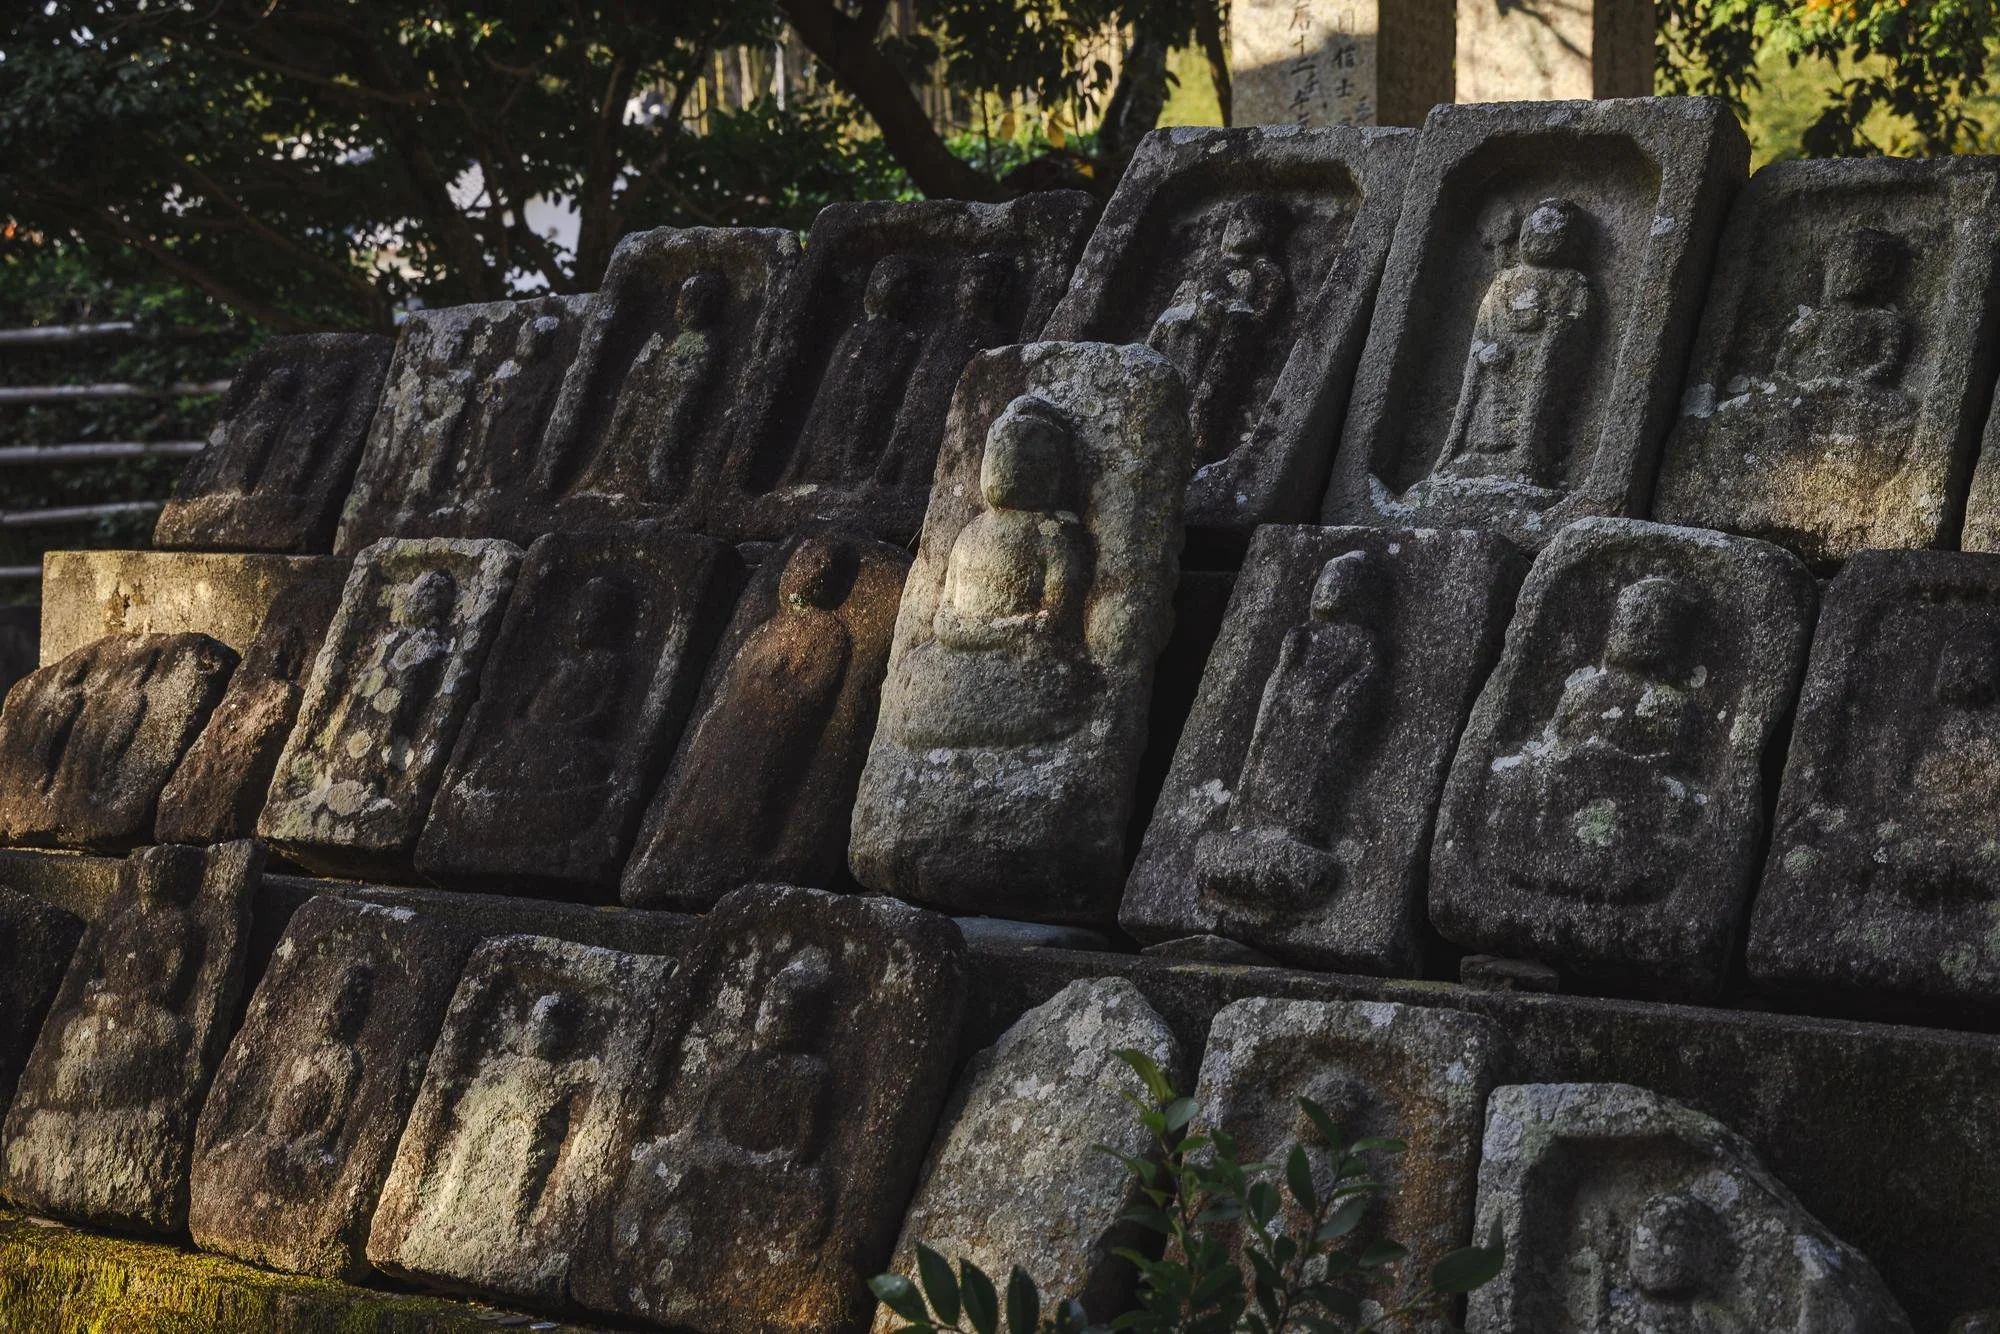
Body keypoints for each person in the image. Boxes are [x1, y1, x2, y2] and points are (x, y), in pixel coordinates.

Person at [1196, 550, 1386, 918]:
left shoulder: (1360, 640)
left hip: (1321, 726)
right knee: (1265, 773)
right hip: (1285, 721)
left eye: (1339, 586)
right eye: (1325, 584)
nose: (1328, 592)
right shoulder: (1301, 635)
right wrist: (1274, 710)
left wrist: (1338, 704)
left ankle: (1299, 831)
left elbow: (1361, 681)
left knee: (1311, 782)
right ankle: (1247, 825)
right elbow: (1279, 678)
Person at [1438, 198, 1593, 487]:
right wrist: (1484, 352)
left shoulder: (1571, 282)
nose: (1538, 234)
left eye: (1550, 227)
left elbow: (1572, 328)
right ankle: (1469, 456)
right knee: (1486, 410)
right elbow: (1483, 329)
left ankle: (1524, 458)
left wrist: (1546, 341)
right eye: (1535, 225)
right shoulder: (1504, 281)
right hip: (1494, 367)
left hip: (1535, 364)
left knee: (1532, 408)